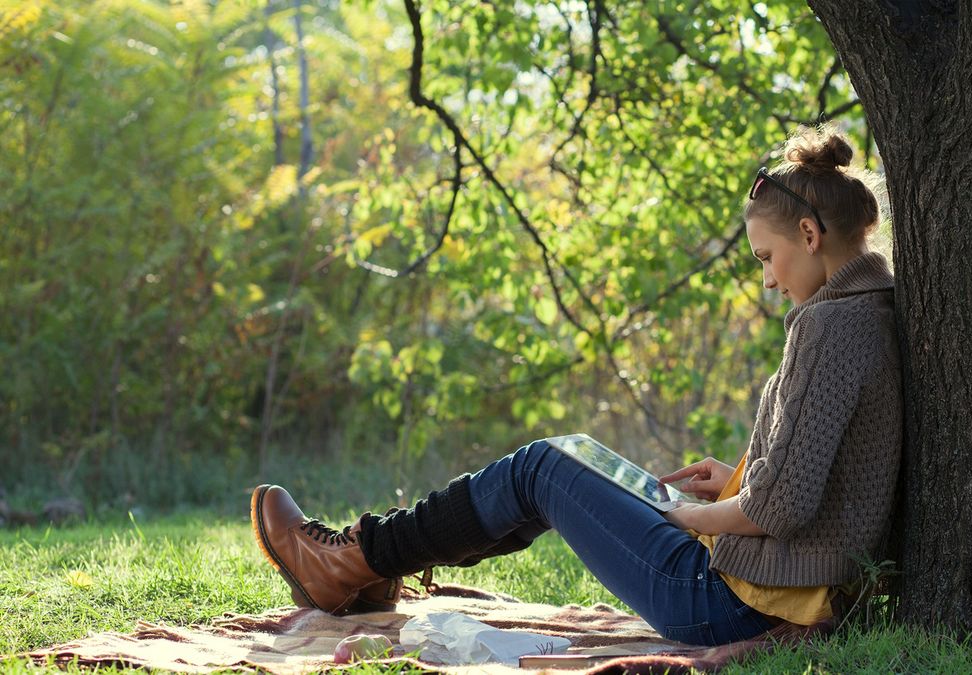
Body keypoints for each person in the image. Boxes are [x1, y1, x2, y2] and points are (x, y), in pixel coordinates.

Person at [250, 125, 903, 647]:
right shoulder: (868, 311)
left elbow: (776, 510)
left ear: (811, 236)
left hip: (727, 600)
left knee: (544, 467)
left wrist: (685, 516)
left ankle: (356, 560)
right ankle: (367, 565)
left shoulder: (828, 325)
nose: (767, 278)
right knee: (567, 462)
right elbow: (817, 477)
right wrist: (736, 477)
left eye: (766, 257)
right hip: (762, 587)